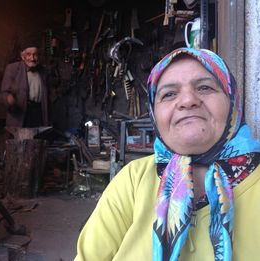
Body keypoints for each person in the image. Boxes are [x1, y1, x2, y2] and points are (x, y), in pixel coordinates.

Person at [74, 48, 260, 261]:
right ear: (154, 113)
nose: (188, 100)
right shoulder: (133, 179)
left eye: (205, 87)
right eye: (169, 94)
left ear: (232, 102)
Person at [0, 39, 49, 128]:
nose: (32, 58)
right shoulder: (12, 69)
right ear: (22, 56)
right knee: (21, 141)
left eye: (35, 55)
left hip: (38, 114)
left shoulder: (43, 71)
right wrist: (8, 98)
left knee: (38, 139)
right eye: (28, 54)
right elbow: (3, 93)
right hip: (20, 115)